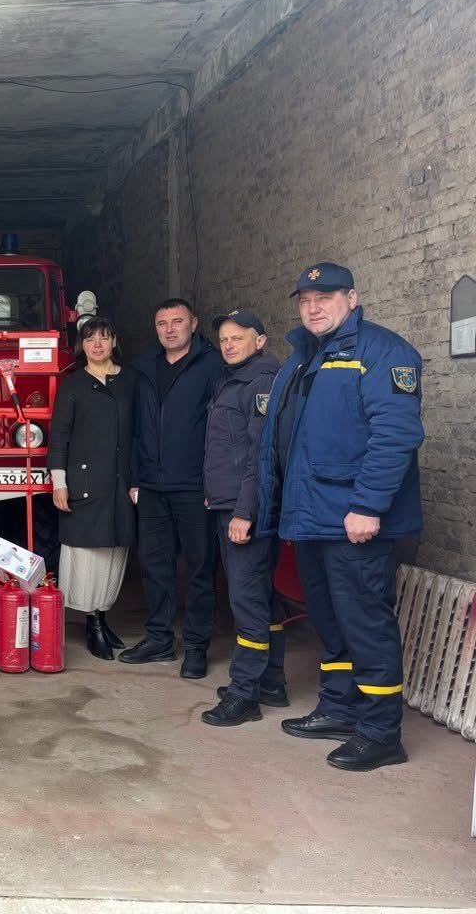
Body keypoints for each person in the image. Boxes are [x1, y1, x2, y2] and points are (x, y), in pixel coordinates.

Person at [256, 263, 423, 771]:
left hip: (354, 520)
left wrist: (368, 505)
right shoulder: (305, 355)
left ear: (351, 298)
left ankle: (380, 733)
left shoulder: (383, 351)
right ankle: (339, 708)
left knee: (365, 623)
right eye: (305, 300)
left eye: (325, 297)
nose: (313, 308)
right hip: (312, 517)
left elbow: (395, 434)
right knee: (330, 620)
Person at [121, 298, 224, 677]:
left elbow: (221, 430)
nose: (169, 329)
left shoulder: (213, 366)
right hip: (151, 486)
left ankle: (196, 646)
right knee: (154, 566)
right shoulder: (144, 368)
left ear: (193, 324)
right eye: (162, 323)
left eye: (177, 321)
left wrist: (214, 481)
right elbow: (134, 429)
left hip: (195, 486)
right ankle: (159, 639)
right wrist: (136, 479)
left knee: (199, 568)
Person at [199, 311, 285, 727]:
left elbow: (259, 454)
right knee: (261, 596)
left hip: (243, 508)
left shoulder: (260, 381)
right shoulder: (233, 379)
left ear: (260, 340)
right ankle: (271, 681)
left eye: (238, 337)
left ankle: (245, 693)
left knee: (246, 600)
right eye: (224, 339)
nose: (229, 345)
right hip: (229, 502)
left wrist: (243, 512)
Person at [48, 315, 136, 660]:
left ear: (114, 341)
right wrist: (59, 482)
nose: (97, 344)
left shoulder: (131, 381)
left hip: (121, 481)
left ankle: (103, 614)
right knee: (86, 554)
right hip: (84, 481)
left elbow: (141, 432)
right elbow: (59, 436)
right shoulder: (73, 385)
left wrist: (138, 480)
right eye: (89, 339)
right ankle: (92, 621)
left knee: (114, 549)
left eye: (103, 337)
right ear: (81, 346)